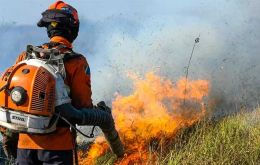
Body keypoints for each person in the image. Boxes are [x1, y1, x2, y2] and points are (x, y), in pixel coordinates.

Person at [1, 1, 123, 164]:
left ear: (49, 29)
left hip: (25, 147)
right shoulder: (77, 62)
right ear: (73, 29)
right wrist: (101, 113)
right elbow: (82, 107)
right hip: (58, 149)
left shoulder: (25, 58)